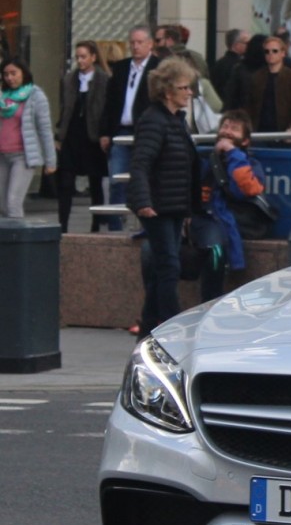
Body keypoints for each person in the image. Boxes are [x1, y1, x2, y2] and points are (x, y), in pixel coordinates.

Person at [126, 57, 201, 338]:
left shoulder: (175, 120)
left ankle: (149, 324)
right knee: (169, 265)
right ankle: (171, 325)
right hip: (156, 206)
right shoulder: (155, 120)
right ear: (168, 91)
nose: (189, 92)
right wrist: (143, 201)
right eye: (184, 87)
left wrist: (190, 206)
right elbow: (141, 163)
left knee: (163, 267)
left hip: (172, 205)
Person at [193, 109, 267, 301]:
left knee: (215, 250)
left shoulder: (250, 164)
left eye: (234, 129)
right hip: (204, 219)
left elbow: (248, 189)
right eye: (224, 127)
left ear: (245, 141)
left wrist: (233, 154)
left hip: (234, 221)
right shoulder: (205, 161)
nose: (227, 132)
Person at [100, 24, 160, 231]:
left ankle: (147, 225)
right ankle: (115, 226)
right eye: (132, 42)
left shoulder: (158, 68)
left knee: (145, 179)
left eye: (140, 42)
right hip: (121, 130)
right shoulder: (121, 68)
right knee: (117, 179)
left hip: (145, 132)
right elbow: (109, 102)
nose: (135, 47)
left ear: (150, 44)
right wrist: (106, 132)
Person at [55, 41, 110, 232]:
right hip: (72, 134)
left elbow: (104, 110)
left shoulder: (104, 80)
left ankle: (96, 224)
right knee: (66, 182)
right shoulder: (69, 79)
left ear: (93, 57)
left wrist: (105, 133)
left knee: (95, 182)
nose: (80, 60)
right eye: (78, 56)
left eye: (84, 56)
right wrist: (59, 134)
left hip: (92, 136)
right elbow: (65, 109)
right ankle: (62, 225)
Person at [0, 58, 56, 218]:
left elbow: (44, 129)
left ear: (23, 73)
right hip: (2, 156)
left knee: (13, 203)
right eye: (5, 74)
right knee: (2, 205)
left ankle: (18, 240)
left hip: (23, 156)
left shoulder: (35, 95)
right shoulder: (4, 96)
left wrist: (50, 161)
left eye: (13, 73)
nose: (10, 78)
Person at [244, 36, 291, 133]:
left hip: (284, 132)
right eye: (267, 51)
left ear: (283, 53)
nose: (270, 54)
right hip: (259, 131)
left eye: (274, 51)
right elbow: (249, 105)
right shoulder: (256, 77)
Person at [212, 29, 248, 101]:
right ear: (236, 45)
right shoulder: (239, 66)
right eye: (246, 43)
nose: (250, 46)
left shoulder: (219, 63)